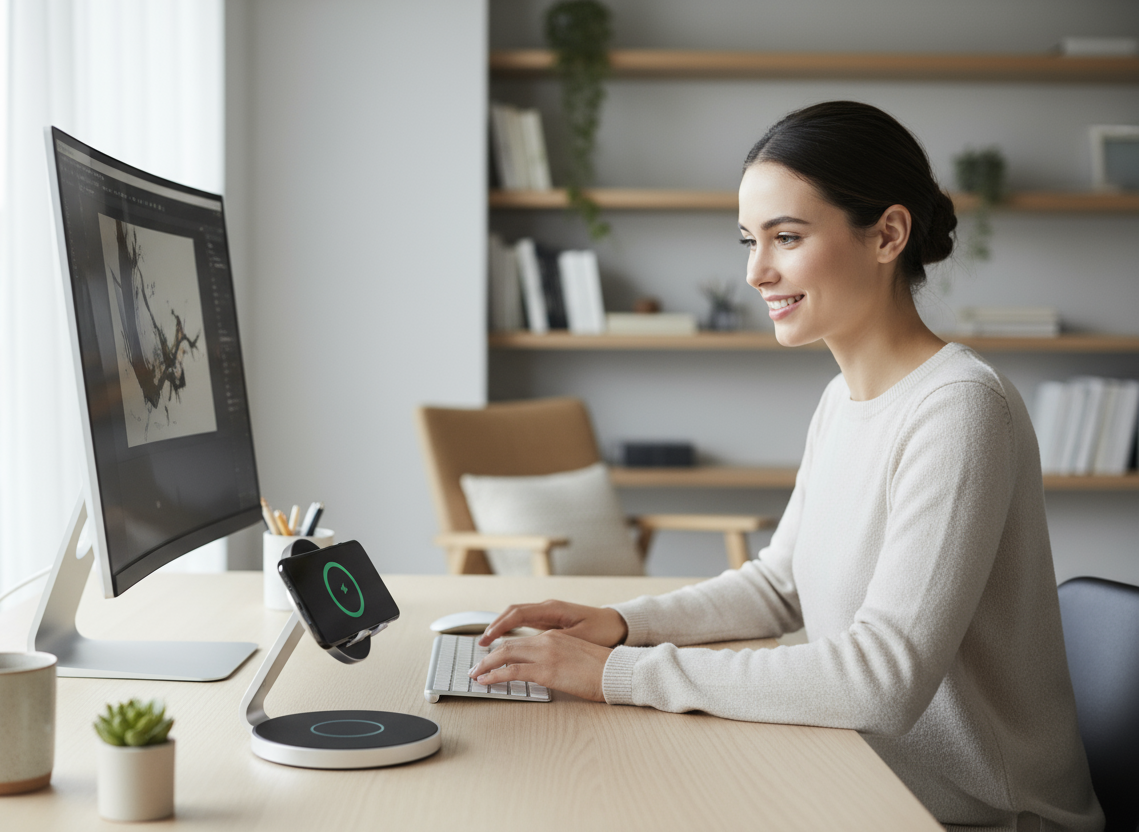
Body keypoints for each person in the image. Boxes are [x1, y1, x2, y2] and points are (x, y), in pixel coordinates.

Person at [470, 101, 1103, 831]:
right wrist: (619, 625)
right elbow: (779, 587)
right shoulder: (843, 398)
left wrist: (620, 676)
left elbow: (883, 680)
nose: (756, 271)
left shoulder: (960, 408)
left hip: (983, 817)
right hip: (869, 783)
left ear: (888, 235)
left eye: (787, 237)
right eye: (749, 240)